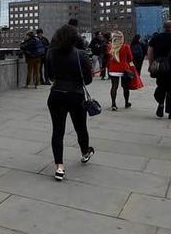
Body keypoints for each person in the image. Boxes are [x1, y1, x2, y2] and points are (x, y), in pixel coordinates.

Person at [45, 25, 95, 181]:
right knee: (81, 127)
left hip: (56, 95)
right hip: (76, 95)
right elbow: (88, 79)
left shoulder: (51, 53)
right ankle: (85, 152)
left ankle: (59, 166)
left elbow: (50, 76)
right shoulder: (81, 55)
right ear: (75, 38)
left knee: (57, 131)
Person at [107, 31, 135, 111]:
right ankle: (126, 102)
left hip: (113, 69)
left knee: (114, 86)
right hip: (124, 69)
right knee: (125, 87)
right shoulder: (126, 46)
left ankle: (113, 104)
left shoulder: (110, 46)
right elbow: (130, 58)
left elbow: (108, 57)